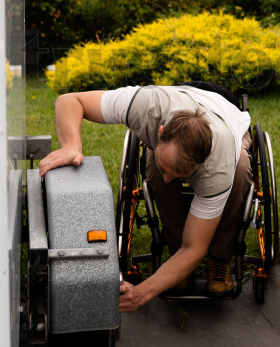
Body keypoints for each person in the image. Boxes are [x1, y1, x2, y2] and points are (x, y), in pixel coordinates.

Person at [39, 84, 252, 313]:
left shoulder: (218, 165)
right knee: (154, 169)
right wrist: (72, 145)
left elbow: (194, 248)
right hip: (179, 102)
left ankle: (220, 259)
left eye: (179, 174)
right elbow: (71, 100)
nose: (170, 179)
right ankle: (175, 255)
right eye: (167, 167)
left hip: (228, 123)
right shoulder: (146, 106)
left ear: (205, 158)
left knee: (240, 170)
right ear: (160, 132)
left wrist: (141, 294)